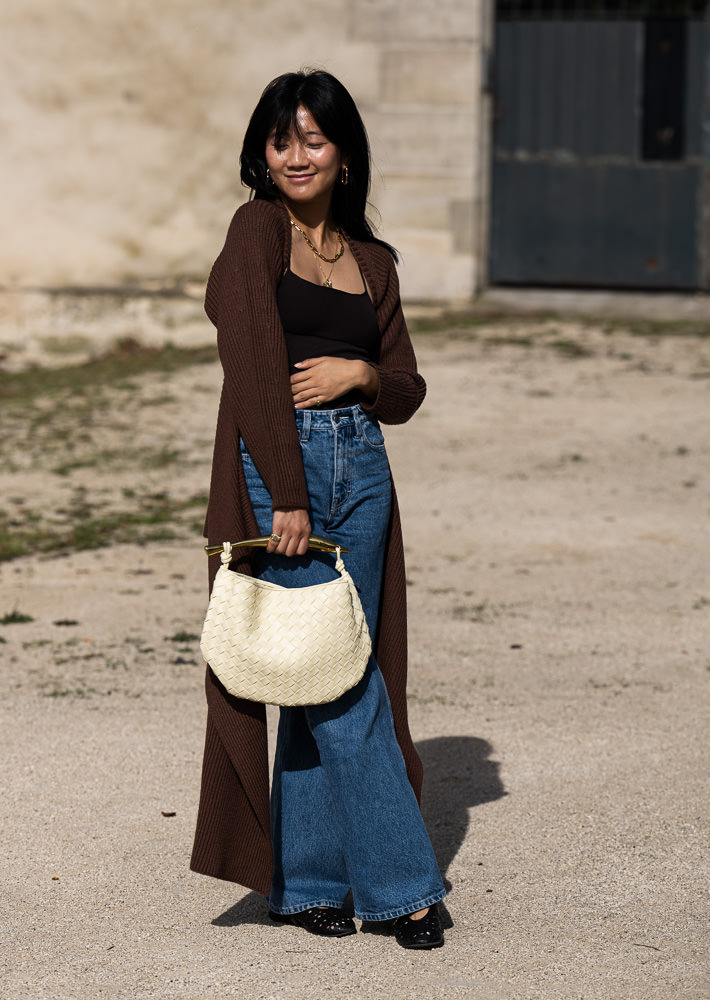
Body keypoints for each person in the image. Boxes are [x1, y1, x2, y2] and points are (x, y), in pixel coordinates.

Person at [190, 69, 446, 950]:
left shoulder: (373, 262)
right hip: (281, 471)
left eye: (314, 138)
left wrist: (363, 375)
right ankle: (405, 884)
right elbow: (251, 357)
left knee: (321, 666)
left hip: (364, 466)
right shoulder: (255, 230)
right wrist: (287, 495)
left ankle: (306, 884)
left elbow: (407, 387)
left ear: (344, 154)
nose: (296, 156)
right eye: (280, 139)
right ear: (263, 155)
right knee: (342, 679)